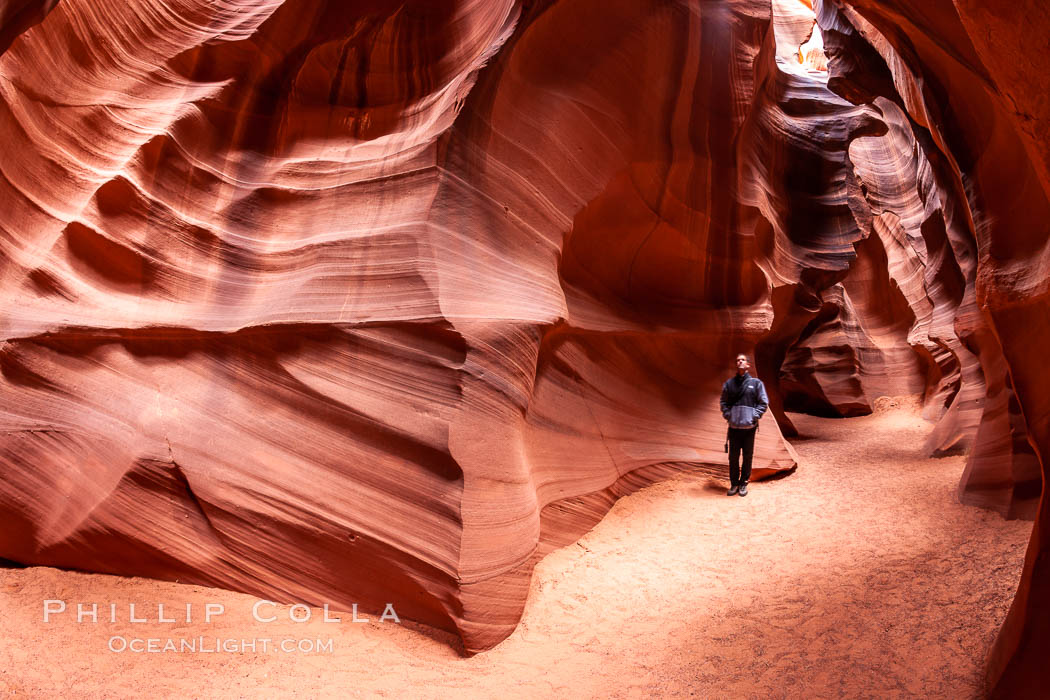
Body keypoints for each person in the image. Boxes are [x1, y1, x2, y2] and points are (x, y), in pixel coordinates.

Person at [719, 353, 769, 497]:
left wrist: (754, 416)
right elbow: (723, 402)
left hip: (749, 428)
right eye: (738, 360)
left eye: (743, 360)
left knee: (748, 456)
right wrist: (729, 415)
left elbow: (763, 402)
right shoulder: (729, 384)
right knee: (733, 457)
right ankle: (734, 484)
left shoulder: (756, 384)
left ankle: (743, 484)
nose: (740, 362)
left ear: (748, 365)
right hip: (734, 428)